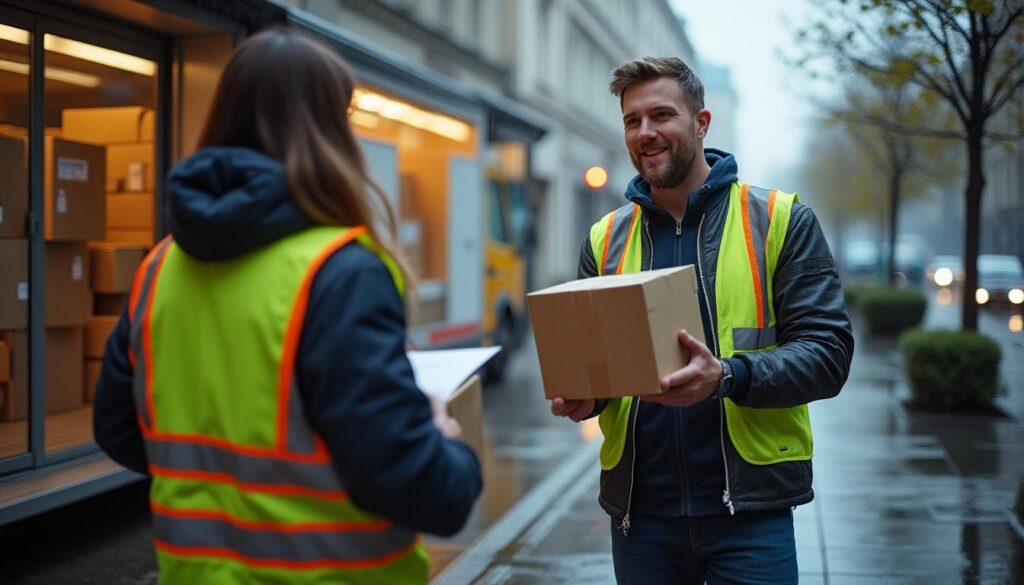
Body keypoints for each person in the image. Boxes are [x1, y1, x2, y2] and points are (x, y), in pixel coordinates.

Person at [92, 28, 482, 585]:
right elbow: (428, 496)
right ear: (330, 127)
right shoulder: (341, 271)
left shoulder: (159, 268)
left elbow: (118, 429)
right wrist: (449, 444)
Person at [551, 57, 853, 584]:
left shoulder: (779, 220)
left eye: (662, 115)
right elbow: (601, 371)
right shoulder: (605, 239)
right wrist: (586, 396)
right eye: (631, 120)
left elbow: (828, 354)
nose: (645, 133)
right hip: (641, 518)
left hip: (751, 516)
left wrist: (727, 376)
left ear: (702, 122)